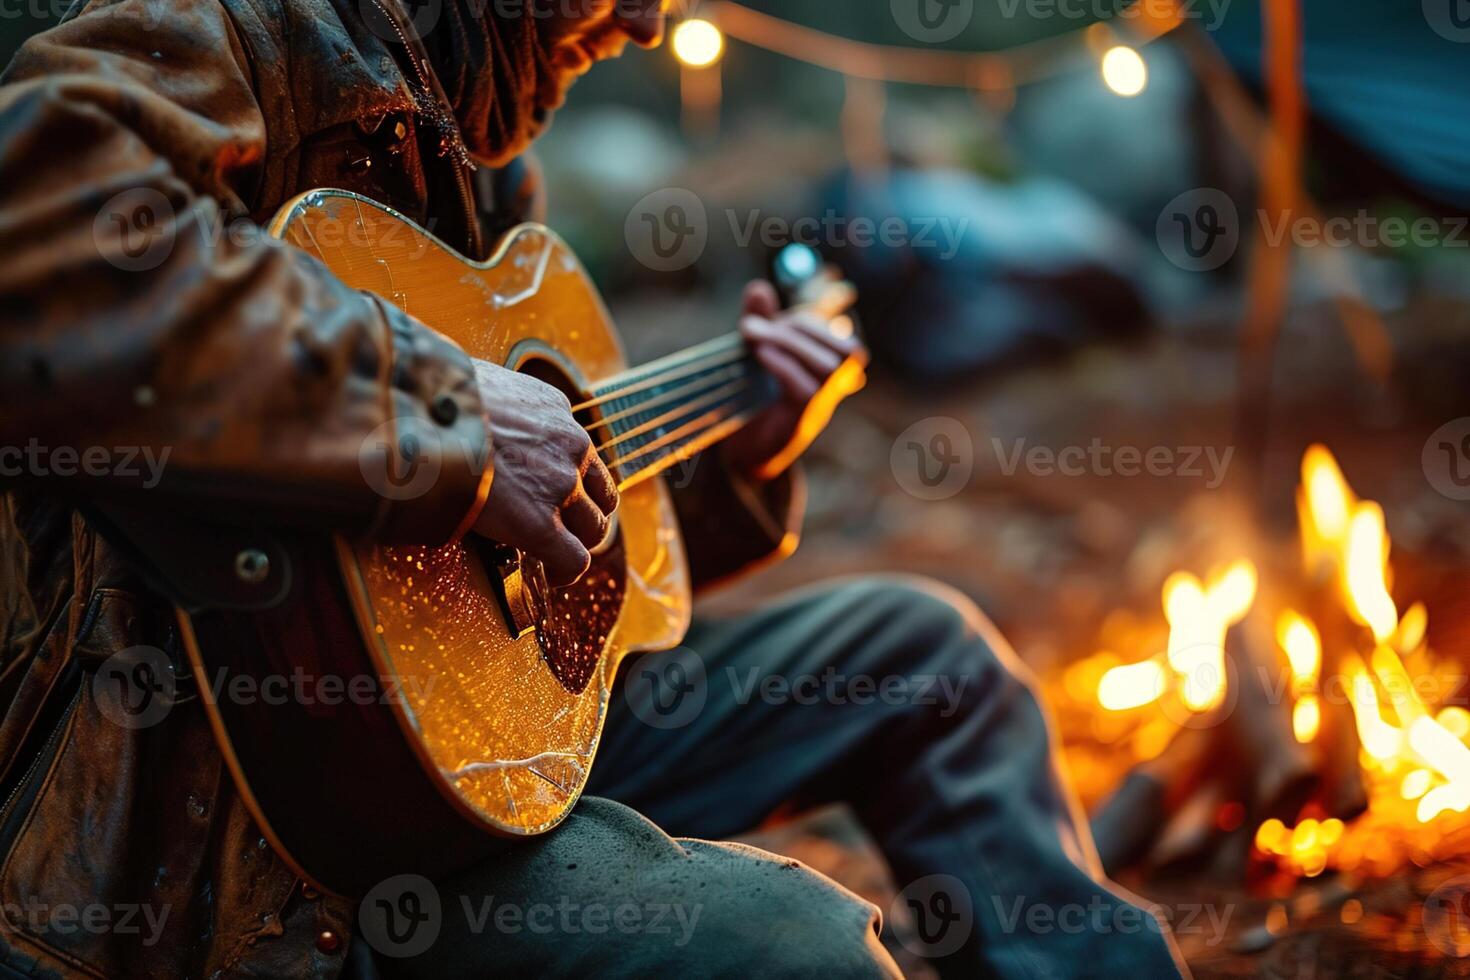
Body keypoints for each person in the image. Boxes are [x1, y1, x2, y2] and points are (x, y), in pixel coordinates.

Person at [0, 0, 1188, 976]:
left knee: (933, 662)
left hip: (480, 750)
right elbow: (42, 233)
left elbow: (560, 572)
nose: (651, 22)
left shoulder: (477, 146)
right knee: (794, 952)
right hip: (252, 845)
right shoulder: (247, 25)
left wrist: (743, 446)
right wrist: (446, 417)